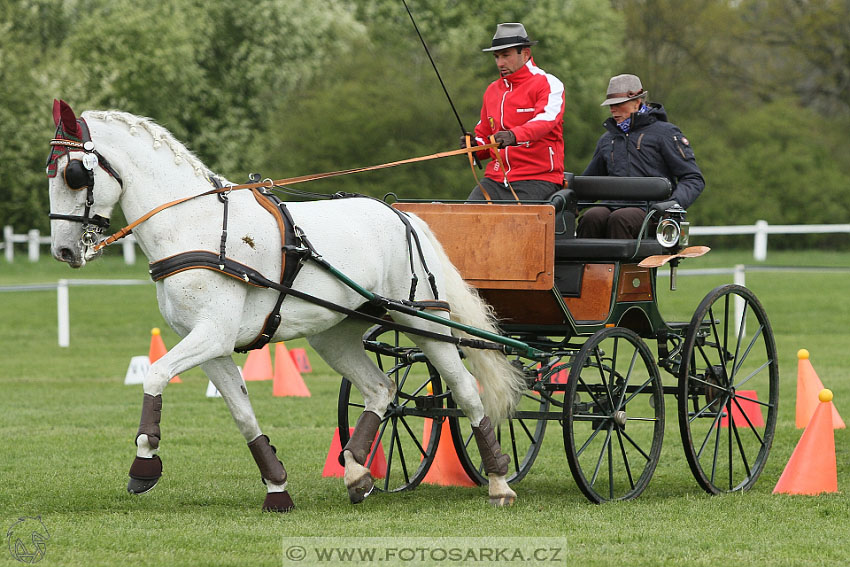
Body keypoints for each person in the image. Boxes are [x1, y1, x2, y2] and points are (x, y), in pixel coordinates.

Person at [577, 74, 705, 239]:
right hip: (614, 206)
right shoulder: (607, 140)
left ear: (637, 102)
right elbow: (589, 184)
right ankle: (586, 265)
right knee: (591, 218)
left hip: (653, 211)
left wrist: (671, 206)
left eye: (618, 104)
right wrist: (567, 206)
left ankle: (624, 266)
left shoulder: (665, 133)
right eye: (610, 105)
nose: (612, 110)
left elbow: (693, 178)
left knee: (621, 219)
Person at [462, 23, 565, 202]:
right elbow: (485, 136)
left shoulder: (548, 83)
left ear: (525, 54)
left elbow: (546, 120)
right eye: (496, 57)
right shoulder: (492, 90)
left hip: (537, 178)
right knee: (464, 220)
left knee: (513, 227)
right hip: (494, 180)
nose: (500, 63)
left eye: (505, 55)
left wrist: (514, 135)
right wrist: (474, 146)